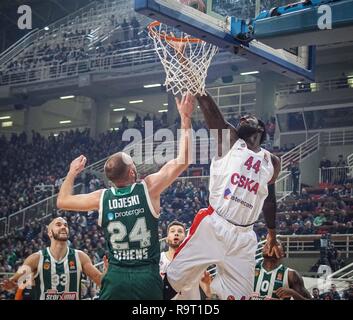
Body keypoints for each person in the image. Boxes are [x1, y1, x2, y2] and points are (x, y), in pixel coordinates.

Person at [56, 94, 195, 300]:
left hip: (116, 277)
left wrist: (72, 172)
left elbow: (62, 201)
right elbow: (183, 159)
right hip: (146, 277)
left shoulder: (102, 197)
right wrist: (185, 118)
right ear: (131, 172)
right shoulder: (148, 188)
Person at [164, 92, 282, 300]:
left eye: (249, 116)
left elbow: (269, 198)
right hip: (214, 225)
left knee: (239, 297)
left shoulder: (272, 162)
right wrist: (195, 80)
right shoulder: (231, 139)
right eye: (241, 118)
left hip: (245, 237)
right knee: (172, 281)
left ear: (261, 129)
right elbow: (211, 109)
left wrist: (272, 234)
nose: (243, 117)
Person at [0, 217, 102, 300]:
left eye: (65, 225)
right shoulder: (35, 258)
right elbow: (15, 280)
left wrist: (109, 274)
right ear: (49, 233)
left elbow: (100, 280)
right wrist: (12, 284)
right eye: (58, 225)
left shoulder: (80, 257)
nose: (63, 227)